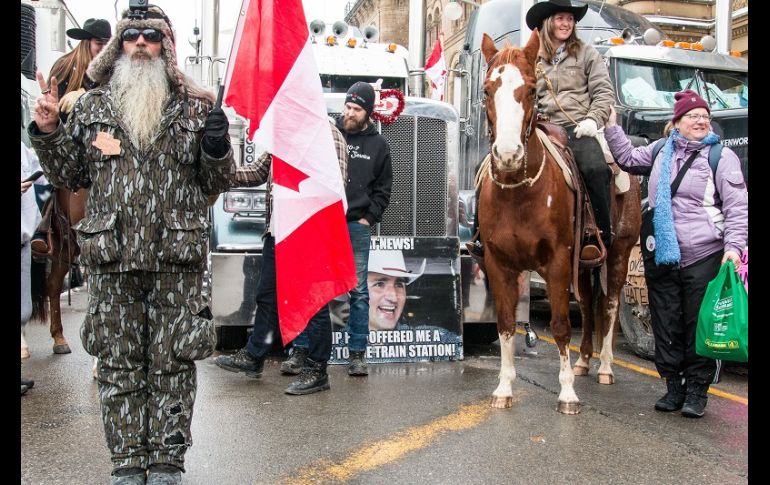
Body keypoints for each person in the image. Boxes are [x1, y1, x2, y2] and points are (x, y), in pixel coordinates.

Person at [28, 5, 235, 484]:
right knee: (118, 365)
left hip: (175, 260)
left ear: (166, 46)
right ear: (118, 46)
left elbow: (213, 184)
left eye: (151, 35)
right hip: (112, 258)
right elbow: (70, 173)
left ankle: (166, 462)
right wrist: (48, 130)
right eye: (131, 35)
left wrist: (217, 149)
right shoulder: (93, 107)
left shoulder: (196, 108)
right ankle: (126, 462)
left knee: (172, 364)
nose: (141, 42)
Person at [603, 90, 747, 418]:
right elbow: (627, 158)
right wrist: (612, 126)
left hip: (704, 254)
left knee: (697, 324)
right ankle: (673, 386)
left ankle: (697, 390)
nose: (701, 121)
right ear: (677, 122)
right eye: (693, 116)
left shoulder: (720, 157)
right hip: (663, 254)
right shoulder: (659, 151)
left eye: (705, 116)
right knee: (666, 322)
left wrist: (733, 249)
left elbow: (738, 207)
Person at [468, 0, 614, 261]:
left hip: (576, 127)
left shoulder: (587, 54)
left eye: (570, 19)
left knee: (595, 168)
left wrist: (593, 120)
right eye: (560, 18)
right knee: (485, 166)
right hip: (538, 126)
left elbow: (603, 92)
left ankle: (597, 233)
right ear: (548, 22)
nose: (566, 24)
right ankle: (481, 233)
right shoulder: (529, 57)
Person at [214, 119, 348, 395]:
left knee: (313, 302)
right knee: (267, 296)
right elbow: (256, 172)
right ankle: (254, 356)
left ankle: (317, 369)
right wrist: (220, 165)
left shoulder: (327, 134)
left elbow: (335, 184)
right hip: (278, 231)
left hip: (308, 230)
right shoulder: (286, 133)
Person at [283, 81, 393, 377]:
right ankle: (301, 351)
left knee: (358, 291)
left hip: (356, 225)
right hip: (322, 222)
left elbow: (383, 190)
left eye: (357, 109)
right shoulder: (327, 134)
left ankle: (357, 354)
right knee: (311, 288)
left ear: (368, 112)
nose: (350, 112)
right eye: (348, 106)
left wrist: (368, 218)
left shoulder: (379, 146)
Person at [31, 18, 112, 254]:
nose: (103, 49)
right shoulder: (65, 66)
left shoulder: (112, 70)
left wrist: (84, 96)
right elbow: (51, 100)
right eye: (99, 43)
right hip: (68, 137)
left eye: (107, 43)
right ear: (87, 42)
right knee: (50, 174)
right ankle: (42, 227)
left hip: (100, 138)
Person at [21, 141, 48, 396]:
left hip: (24, 240)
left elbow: (43, 177)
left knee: (23, 310)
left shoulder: (23, 149)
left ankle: (43, 232)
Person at [367, 249, 425, 331]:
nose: (393, 298)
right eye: (379, 284)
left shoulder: (431, 336)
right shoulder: (345, 339)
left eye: (399, 285)